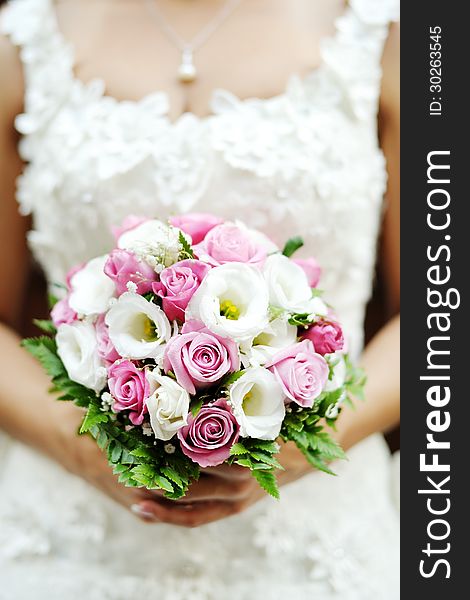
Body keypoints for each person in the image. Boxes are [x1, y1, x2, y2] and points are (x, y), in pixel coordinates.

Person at [0, 0, 400, 598]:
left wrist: (307, 444)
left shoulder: (409, 37)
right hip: (73, 540)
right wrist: (80, 446)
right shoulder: (22, 39)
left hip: (311, 542)